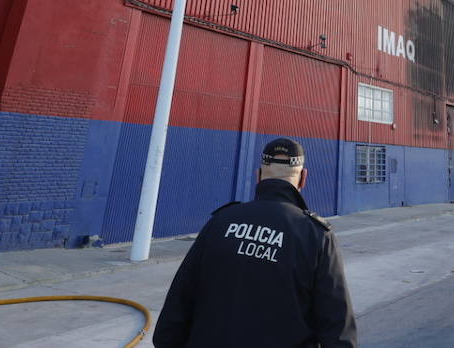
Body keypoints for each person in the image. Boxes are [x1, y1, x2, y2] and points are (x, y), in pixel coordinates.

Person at [153, 137, 357, 348]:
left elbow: (178, 303)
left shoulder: (221, 222)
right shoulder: (316, 235)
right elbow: (337, 326)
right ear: (303, 179)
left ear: (258, 176)